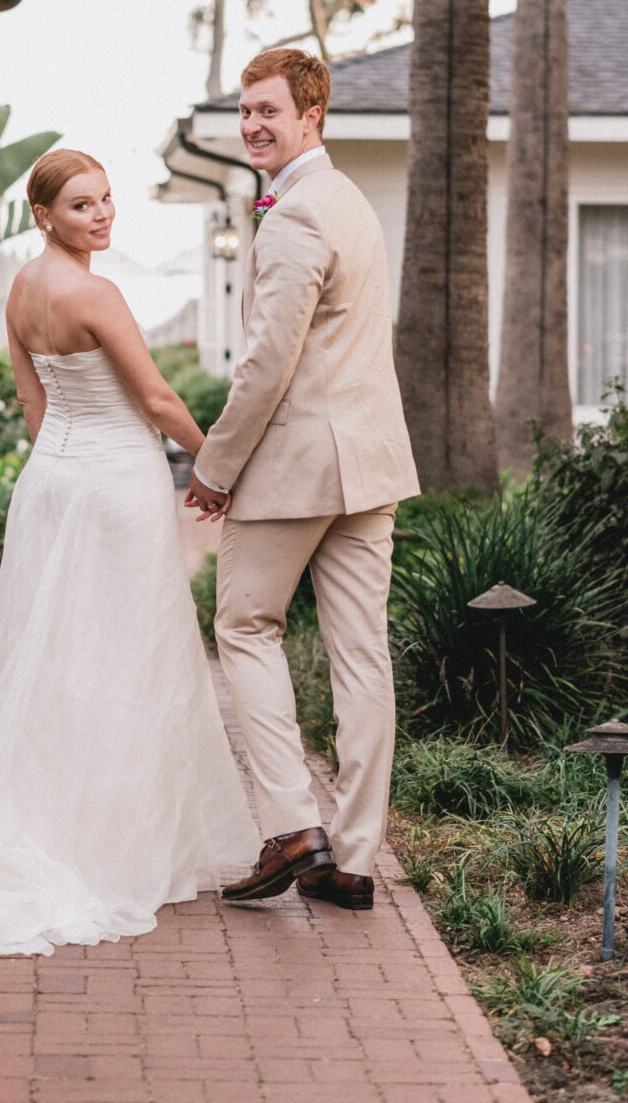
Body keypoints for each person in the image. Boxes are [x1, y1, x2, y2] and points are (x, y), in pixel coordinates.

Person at [0, 148, 257, 957]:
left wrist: (61, 471)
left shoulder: (23, 288)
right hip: (114, 486)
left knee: (52, 653)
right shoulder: (93, 292)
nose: (102, 215)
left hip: (52, 483)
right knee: (126, 655)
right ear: (44, 214)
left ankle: (50, 823)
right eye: (81, 205)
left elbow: (32, 401)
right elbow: (155, 397)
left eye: (106, 200)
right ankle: (107, 845)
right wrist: (217, 467)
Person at [186, 48, 419, 911]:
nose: (251, 125)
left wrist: (214, 470)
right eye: (245, 111)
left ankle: (291, 825)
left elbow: (265, 365)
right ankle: (352, 860)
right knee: (362, 659)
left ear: (310, 113)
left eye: (267, 111)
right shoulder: (351, 202)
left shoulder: (291, 217)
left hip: (294, 468)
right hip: (369, 462)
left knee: (245, 627)